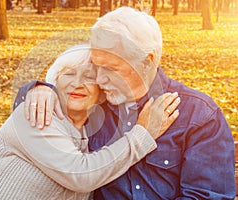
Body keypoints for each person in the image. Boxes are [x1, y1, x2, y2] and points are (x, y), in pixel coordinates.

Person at [16, 7, 236, 199]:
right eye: (96, 66)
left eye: (111, 69)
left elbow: (207, 196)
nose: (99, 79)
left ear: (147, 61)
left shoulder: (198, 116)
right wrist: (41, 90)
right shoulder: (94, 105)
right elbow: (31, 108)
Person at [0, 44, 180, 200]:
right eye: (68, 74)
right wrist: (142, 133)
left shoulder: (91, 131)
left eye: (89, 77)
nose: (77, 84)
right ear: (54, 82)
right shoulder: (36, 115)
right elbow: (81, 176)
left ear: (102, 92)